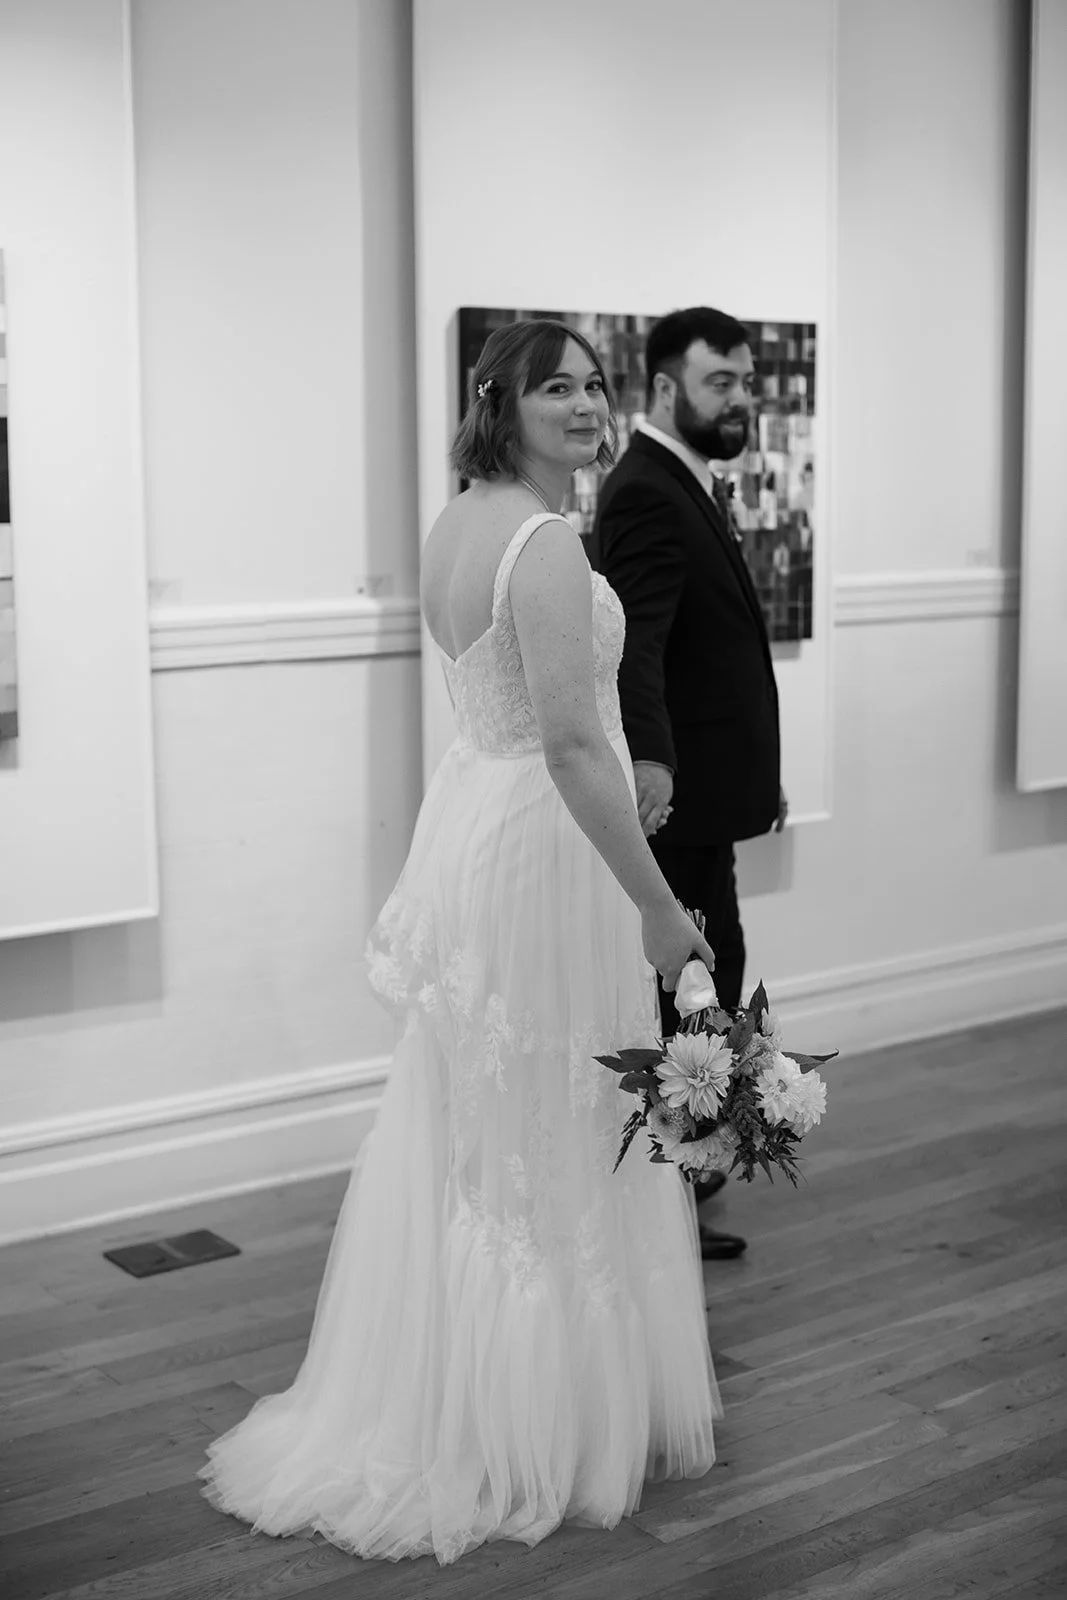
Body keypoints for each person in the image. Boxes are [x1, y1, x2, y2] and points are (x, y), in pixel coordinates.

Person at [199, 320, 722, 1566]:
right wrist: (656, 904)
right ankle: (526, 1424)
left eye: (597, 387)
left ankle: (465, 1394)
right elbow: (575, 744)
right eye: (558, 389)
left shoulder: (456, 523)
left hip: (482, 829)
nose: (587, 409)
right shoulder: (540, 543)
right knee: (548, 1128)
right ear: (503, 402)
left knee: (486, 1128)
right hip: (543, 848)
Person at [590, 306, 786, 1261]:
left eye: (746, 380)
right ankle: (662, 1205)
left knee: (714, 981)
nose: (740, 397)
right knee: (690, 997)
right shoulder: (644, 491)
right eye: (722, 381)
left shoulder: (680, 481)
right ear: (667, 387)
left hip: (710, 801)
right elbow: (639, 652)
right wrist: (656, 766)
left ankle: (679, 1189)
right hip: (679, 806)